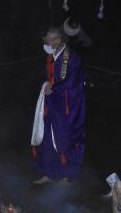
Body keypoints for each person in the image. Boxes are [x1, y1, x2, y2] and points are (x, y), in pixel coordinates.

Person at [31, 27, 85, 186]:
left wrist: (53, 88)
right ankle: (50, 173)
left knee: (66, 139)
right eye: (46, 39)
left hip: (68, 107)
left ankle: (67, 177)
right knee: (48, 138)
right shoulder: (52, 57)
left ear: (57, 40)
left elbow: (73, 83)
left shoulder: (72, 58)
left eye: (48, 39)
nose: (46, 42)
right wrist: (46, 84)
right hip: (52, 105)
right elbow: (45, 76)